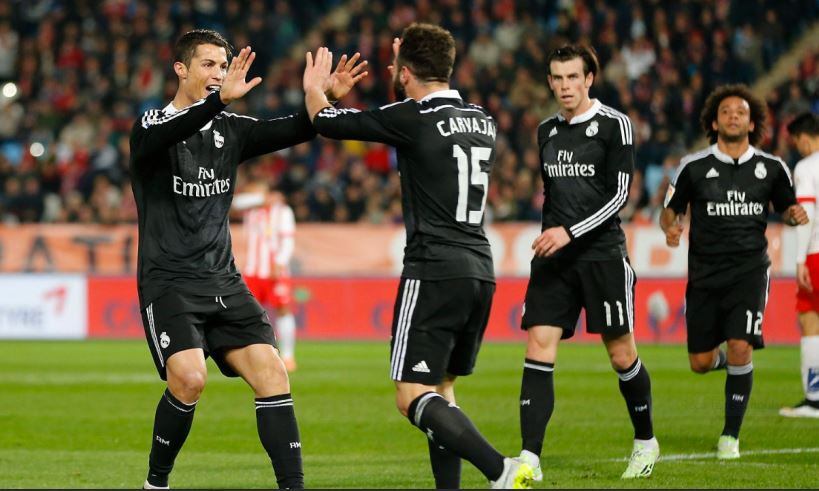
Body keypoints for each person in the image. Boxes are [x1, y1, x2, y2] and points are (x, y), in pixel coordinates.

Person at [302, 24, 534, 489]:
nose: (391, 71)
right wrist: (406, 68)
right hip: (480, 269)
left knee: (410, 396)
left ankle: (501, 469)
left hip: (433, 269)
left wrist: (316, 89)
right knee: (442, 391)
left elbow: (325, 122)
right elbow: (431, 106)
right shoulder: (481, 119)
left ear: (406, 73)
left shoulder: (411, 116)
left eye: (395, 66)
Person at [130, 29, 364, 489]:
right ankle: (156, 483)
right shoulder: (152, 125)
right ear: (181, 69)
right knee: (190, 378)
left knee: (273, 373)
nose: (219, 74)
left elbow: (297, 127)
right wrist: (216, 104)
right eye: (209, 65)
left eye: (224, 65)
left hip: (224, 281)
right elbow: (169, 132)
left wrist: (323, 98)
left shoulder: (230, 131)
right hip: (169, 282)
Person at [517, 44, 658, 480]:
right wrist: (553, 236)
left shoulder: (615, 126)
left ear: (589, 78)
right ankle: (530, 458)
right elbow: (555, 195)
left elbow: (619, 197)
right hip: (555, 259)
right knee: (538, 346)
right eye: (557, 78)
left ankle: (645, 441)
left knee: (621, 354)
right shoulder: (546, 131)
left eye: (572, 77)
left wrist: (570, 232)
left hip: (601, 256)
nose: (564, 86)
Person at [661, 84, 809, 458]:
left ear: (751, 122)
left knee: (741, 346)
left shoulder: (773, 168)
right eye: (726, 111)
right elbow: (670, 208)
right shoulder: (692, 166)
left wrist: (794, 216)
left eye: (740, 112)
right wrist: (671, 225)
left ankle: (730, 435)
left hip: (749, 271)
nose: (732, 116)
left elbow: (788, 208)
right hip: (705, 275)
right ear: (714, 120)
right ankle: (728, 361)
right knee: (699, 363)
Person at [235, 180, 299, 372]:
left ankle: (288, 356)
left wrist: (280, 261)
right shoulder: (250, 210)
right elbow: (236, 203)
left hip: (275, 270)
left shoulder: (283, 211)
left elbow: (288, 239)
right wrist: (261, 197)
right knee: (249, 312)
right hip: (252, 271)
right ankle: (250, 355)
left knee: (283, 309)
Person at [781, 112, 819, 418]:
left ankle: (814, 399)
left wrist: (799, 259)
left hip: (816, 254)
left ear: (804, 138)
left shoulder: (807, 167)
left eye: (796, 141)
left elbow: (805, 214)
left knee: (809, 318)